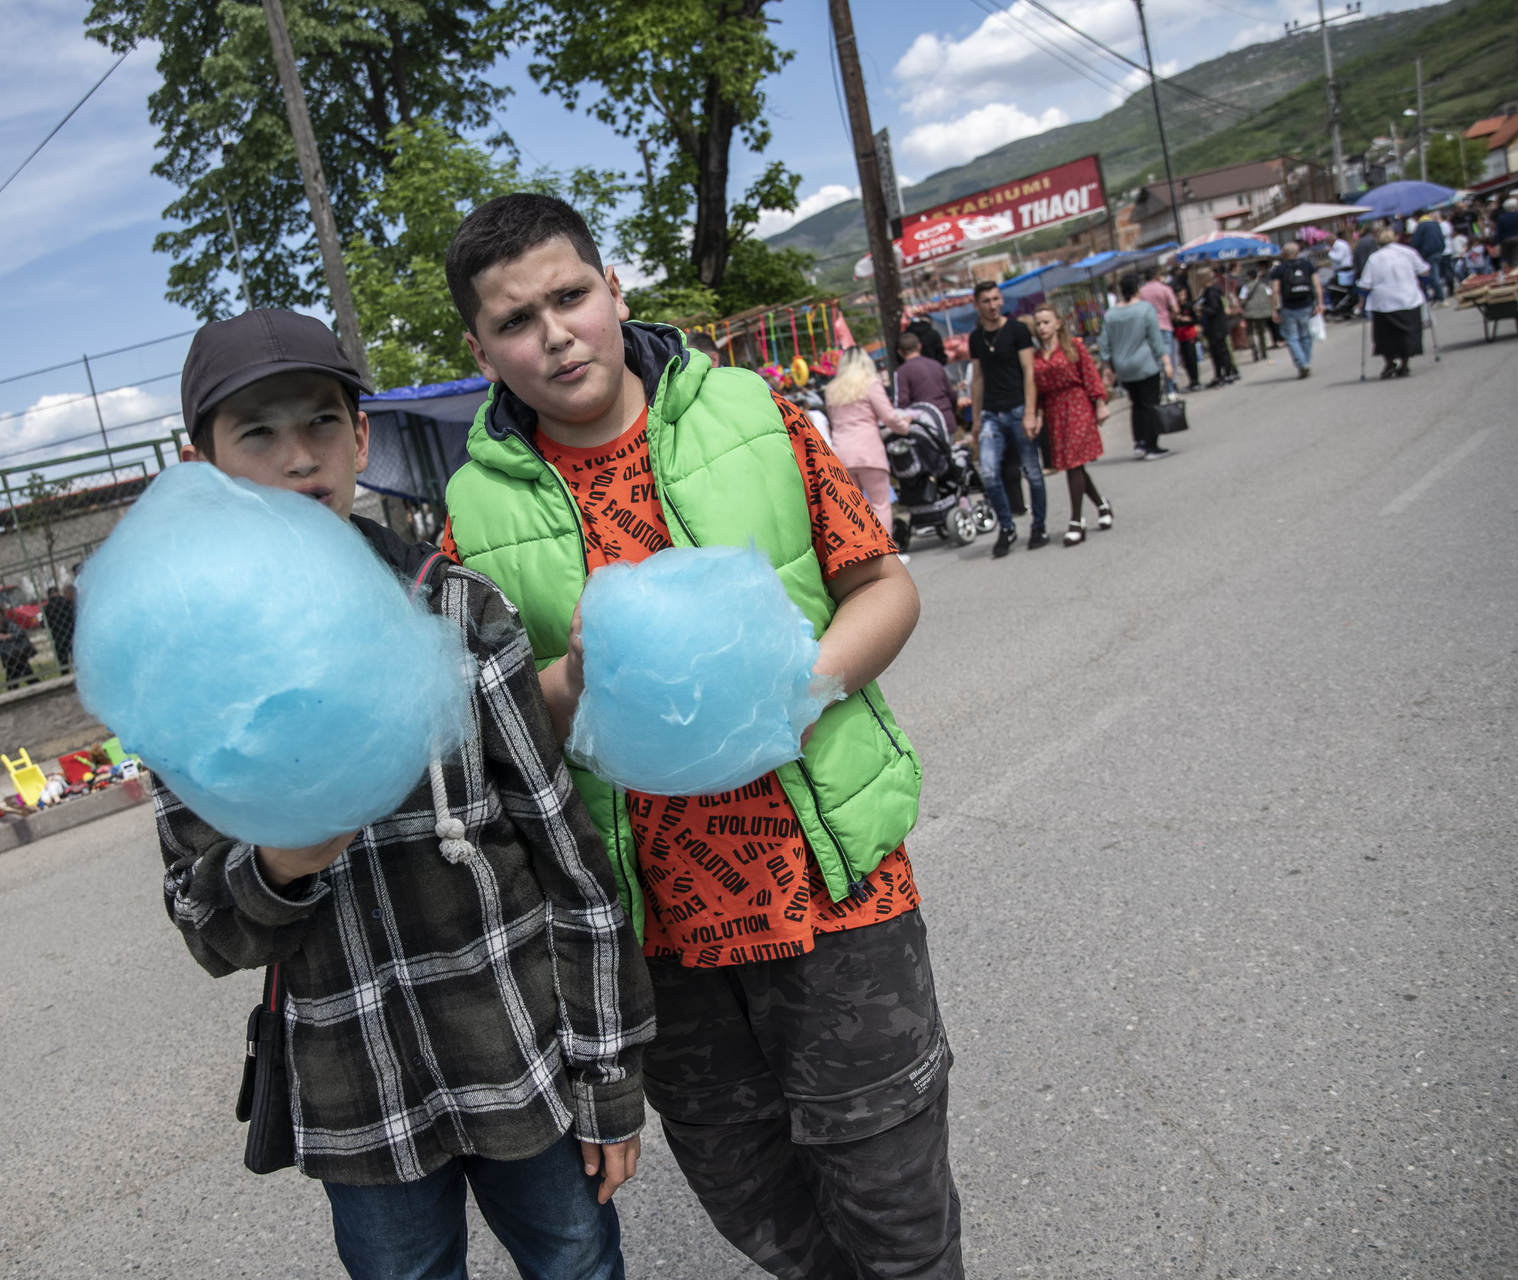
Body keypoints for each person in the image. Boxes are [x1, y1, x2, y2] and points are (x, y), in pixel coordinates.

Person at [437, 193, 962, 1279]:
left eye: (571, 296)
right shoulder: (471, 518)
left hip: (832, 891)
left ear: (614, 288)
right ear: (480, 351)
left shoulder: (752, 415)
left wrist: (794, 692)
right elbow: (487, 730)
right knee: (761, 1211)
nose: (556, 334)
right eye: (517, 320)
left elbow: (884, 587)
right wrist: (572, 677)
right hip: (656, 938)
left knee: (897, 1218)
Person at [160, 308, 654, 1280]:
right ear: (201, 466)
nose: (298, 457)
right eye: (256, 433)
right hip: (361, 1097)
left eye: (322, 422)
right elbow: (204, 923)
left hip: (521, 1060)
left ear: (362, 437)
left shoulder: (458, 612)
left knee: (578, 1262)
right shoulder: (185, 674)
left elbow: (570, 858)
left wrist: (607, 1071)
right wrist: (280, 863)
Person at [965, 280, 1047, 556]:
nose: (992, 305)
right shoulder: (976, 338)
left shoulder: (1017, 330)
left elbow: (1029, 372)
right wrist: (976, 420)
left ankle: (1039, 526)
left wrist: (1030, 412)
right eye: (986, 301)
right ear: (977, 305)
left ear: (1001, 300)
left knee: (1031, 471)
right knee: (988, 472)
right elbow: (977, 379)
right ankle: (1007, 526)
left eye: (995, 299)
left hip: (1018, 408)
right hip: (990, 413)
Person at [1030, 303, 1111, 544]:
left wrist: (1100, 402)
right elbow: (1040, 393)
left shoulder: (1073, 347)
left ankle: (1076, 521)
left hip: (1076, 405)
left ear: (1057, 323)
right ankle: (1102, 505)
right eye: (1038, 323)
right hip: (1055, 411)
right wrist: (1039, 416)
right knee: (1073, 464)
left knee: (1075, 462)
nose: (1042, 327)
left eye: (1046, 322)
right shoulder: (1037, 356)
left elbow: (1090, 374)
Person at [822, 346, 911, 551]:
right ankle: (886, 553)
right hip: (868, 451)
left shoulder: (832, 389)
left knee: (854, 510)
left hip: (842, 453)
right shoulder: (870, 384)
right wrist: (905, 427)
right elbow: (888, 417)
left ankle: (862, 553)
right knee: (880, 505)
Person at [1099, 273, 1176, 463]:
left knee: (1136, 404)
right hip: (1145, 364)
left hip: (1124, 368)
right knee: (1150, 404)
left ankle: (1139, 443)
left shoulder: (1111, 314)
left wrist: (1107, 365)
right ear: (1137, 289)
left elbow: (1104, 342)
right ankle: (1151, 445)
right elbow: (1155, 338)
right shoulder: (1145, 309)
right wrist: (1166, 361)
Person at [1356, 226, 1431, 378]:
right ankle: (1404, 364)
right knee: (1408, 335)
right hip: (1408, 299)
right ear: (1395, 237)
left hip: (1383, 303)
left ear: (1378, 241)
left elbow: (1365, 284)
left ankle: (1389, 363)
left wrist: (1362, 302)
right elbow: (1424, 270)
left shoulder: (1374, 258)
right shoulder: (1408, 252)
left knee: (1385, 337)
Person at [1269, 241, 1323, 379]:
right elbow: (1317, 284)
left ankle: (1302, 364)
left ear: (1284, 253)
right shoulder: (1307, 265)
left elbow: (1275, 291)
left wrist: (1274, 309)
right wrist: (1320, 303)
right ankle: (1305, 362)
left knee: (1292, 338)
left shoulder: (1279, 269)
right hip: (1306, 305)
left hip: (1288, 307)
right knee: (1306, 336)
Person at [893, 328, 960, 430]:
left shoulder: (902, 372)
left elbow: (902, 401)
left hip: (925, 424)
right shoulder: (936, 365)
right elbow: (951, 394)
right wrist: (951, 412)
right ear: (919, 346)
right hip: (946, 418)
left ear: (900, 352)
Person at [1194, 267, 1238, 388]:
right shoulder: (1209, 290)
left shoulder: (1212, 291)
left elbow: (1214, 309)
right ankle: (1219, 375)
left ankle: (1227, 374)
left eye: (1199, 279)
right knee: (1216, 353)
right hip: (1214, 328)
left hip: (1217, 328)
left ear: (1204, 279)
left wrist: (1202, 309)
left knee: (1221, 352)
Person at [0, 602, 40, 689]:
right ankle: (37, 687)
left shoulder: (8, 624)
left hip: (16, 655)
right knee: (26, 676)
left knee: (14, 680)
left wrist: (5, 637)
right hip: (12, 657)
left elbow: (19, 633)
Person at [1171, 279, 1203, 392]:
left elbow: (1196, 320)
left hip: (1190, 335)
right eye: (1179, 295)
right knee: (1185, 360)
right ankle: (1191, 381)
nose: (1181, 297)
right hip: (1180, 336)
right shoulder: (1174, 308)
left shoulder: (1189, 306)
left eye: (1183, 294)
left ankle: (1196, 380)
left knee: (1192, 358)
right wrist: (1176, 318)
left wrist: (1187, 319)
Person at [1239, 265, 1276, 362]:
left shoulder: (1246, 287)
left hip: (1249, 312)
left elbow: (1242, 299)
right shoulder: (1263, 286)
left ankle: (1254, 349)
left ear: (1249, 276)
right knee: (1261, 332)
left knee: (1250, 333)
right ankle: (1263, 351)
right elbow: (1270, 294)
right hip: (1262, 311)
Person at [1410, 213, 1449, 301]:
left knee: (1434, 276)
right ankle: (1438, 295)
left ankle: (1440, 298)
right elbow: (1441, 237)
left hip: (1428, 254)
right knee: (1437, 274)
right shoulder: (1435, 223)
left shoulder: (1421, 225)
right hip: (1438, 252)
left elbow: (1415, 241)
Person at [43, 584, 76, 671]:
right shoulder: (66, 602)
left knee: (63, 660)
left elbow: (45, 623)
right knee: (75, 657)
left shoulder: (47, 607)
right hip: (71, 633)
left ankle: (64, 672)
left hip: (58, 635)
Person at [1495, 198, 1518, 270]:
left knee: (1506, 258)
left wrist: (1497, 242)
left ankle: (1507, 271)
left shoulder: (1501, 217)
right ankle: (1516, 271)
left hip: (1505, 239)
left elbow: (1498, 231)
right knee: (1517, 258)